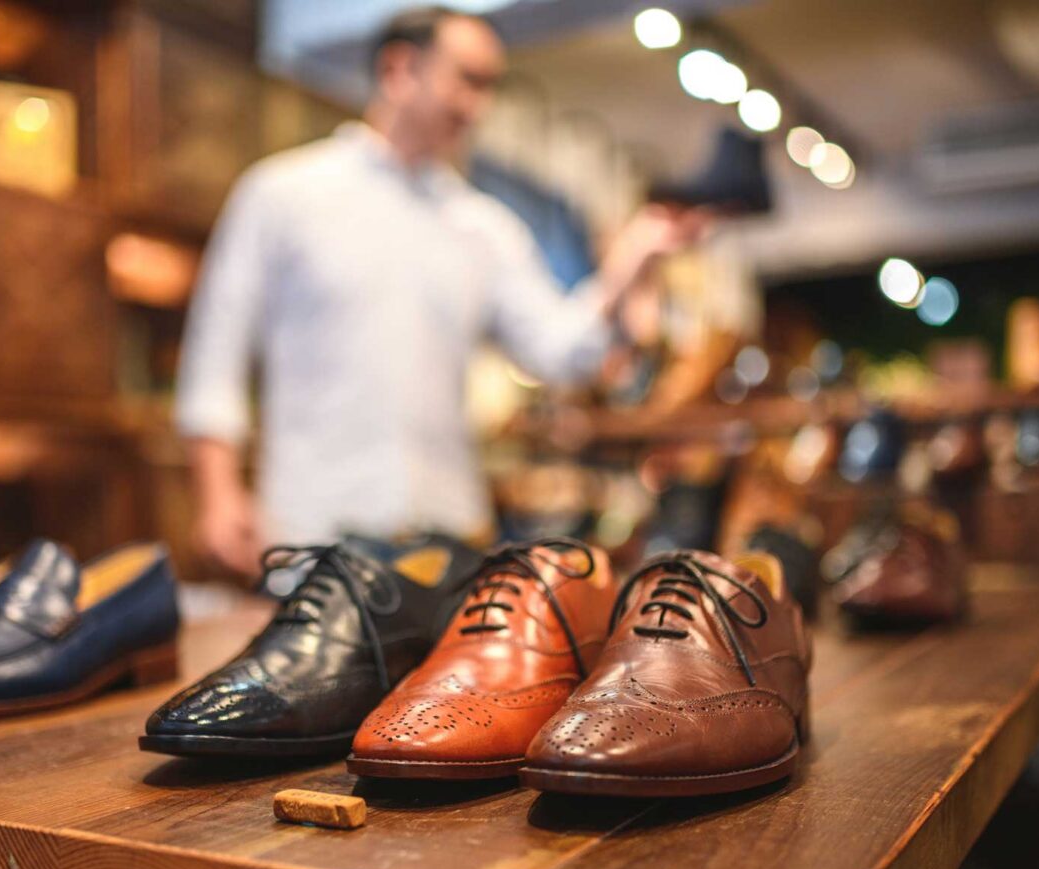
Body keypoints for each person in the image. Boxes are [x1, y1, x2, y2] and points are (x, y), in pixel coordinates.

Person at [175, 5, 700, 578]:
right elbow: (214, 355)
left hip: (446, 543)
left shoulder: (483, 227)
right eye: (467, 80)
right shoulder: (281, 194)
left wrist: (632, 258)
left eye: (488, 86)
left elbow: (561, 350)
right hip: (312, 536)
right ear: (400, 70)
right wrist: (218, 492)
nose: (477, 106)